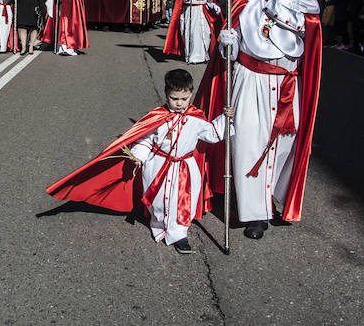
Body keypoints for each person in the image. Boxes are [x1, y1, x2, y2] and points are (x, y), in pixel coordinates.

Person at [195, 0, 322, 240]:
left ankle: (276, 198)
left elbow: (307, 40)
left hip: (285, 83)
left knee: (283, 145)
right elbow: (228, 46)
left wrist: (279, 11)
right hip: (249, 81)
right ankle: (254, 214)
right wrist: (227, 42)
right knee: (248, 141)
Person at [47, 69, 233, 254]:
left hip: (184, 168)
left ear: (190, 94)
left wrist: (225, 118)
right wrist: (138, 157)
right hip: (158, 164)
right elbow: (145, 140)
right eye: (174, 98)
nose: (179, 103)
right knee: (159, 200)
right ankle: (159, 223)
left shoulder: (196, 119)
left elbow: (213, 134)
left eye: (183, 99)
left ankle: (179, 234)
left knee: (182, 201)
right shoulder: (157, 117)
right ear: (166, 94)